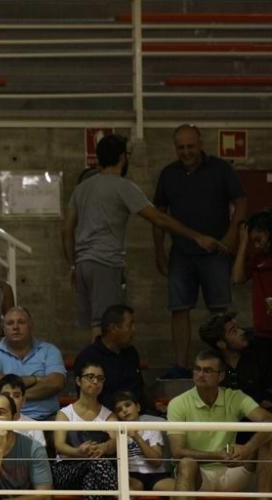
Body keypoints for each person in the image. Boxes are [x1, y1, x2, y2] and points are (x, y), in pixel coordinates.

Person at [63, 134, 224, 334]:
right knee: (106, 326)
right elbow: (159, 218)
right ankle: (101, 365)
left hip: (83, 265)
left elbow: (67, 230)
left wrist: (72, 265)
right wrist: (197, 237)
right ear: (123, 157)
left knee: (95, 325)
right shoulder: (123, 187)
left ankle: (97, 364)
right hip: (105, 262)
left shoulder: (81, 188)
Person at [153, 124, 246, 377]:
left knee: (220, 311)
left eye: (190, 146)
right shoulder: (168, 174)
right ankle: (181, 366)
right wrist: (159, 250)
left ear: (200, 144)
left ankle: (223, 366)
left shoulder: (220, 169)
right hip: (181, 254)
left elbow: (241, 202)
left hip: (216, 253)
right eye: (181, 147)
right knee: (179, 308)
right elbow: (158, 215)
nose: (186, 152)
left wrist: (230, 236)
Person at [167, 351, 272, 500]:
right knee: (186, 463)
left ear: (221, 376)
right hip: (199, 477)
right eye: (197, 369)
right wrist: (218, 455)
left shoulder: (235, 396)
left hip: (231, 471)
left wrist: (246, 449)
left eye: (207, 370)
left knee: (268, 439)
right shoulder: (178, 403)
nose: (200, 375)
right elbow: (177, 451)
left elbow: (268, 420)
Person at [51, 360, 119, 500]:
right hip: (66, 470)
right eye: (90, 377)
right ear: (79, 381)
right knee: (94, 461)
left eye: (100, 378)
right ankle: (120, 498)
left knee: (91, 479)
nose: (95, 382)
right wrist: (79, 451)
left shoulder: (108, 415)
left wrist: (103, 447)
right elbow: (59, 446)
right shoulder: (65, 413)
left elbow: (116, 442)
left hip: (95, 471)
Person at [0, 306, 66, 421]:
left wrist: (14, 395)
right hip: (6, 420)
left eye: (21, 322)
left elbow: (55, 383)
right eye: (10, 323)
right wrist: (35, 379)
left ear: (30, 326)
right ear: (4, 329)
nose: (15, 327)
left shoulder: (50, 351)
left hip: (46, 419)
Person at [112, 390, 173, 500]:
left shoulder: (151, 427)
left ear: (137, 407)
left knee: (181, 492)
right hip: (132, 476)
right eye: (119, 409)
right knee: (121, 492)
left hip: (156, 475)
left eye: (127, 405)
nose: (124, 410)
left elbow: (156, 461)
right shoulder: (117, 432)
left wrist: (136, 436)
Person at [72, 304, 145, 410]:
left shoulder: (131, 353)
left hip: (135, 415)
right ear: (114, 328)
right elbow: (88, 398)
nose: (134, 331)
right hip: (101, 419)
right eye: (129, 325)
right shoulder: (88, 357)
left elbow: (138, 389)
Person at [198, 312, 272, 409]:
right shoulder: (213, 368)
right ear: (221, 344)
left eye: (238, 328)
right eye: (234, 331)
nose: (242, 332)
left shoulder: (260, 354)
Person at [232, 210, 272, 344]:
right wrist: (243, 243)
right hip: (262, 331)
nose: (256, 245)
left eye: (258, 240)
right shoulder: (257, 259)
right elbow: (238, 278)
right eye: (252, 241)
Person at [0, 374, 47, 448]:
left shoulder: (35, 427)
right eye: (6, 395)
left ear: (23, 400)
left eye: (16, 396)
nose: (11, 399)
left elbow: (39, 457)